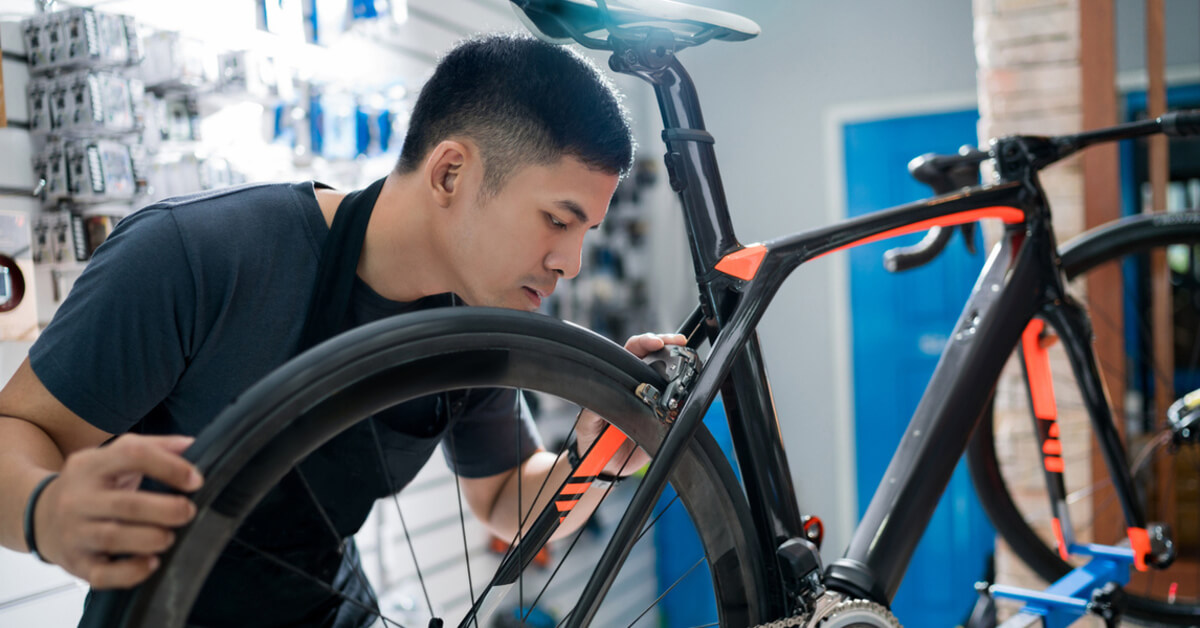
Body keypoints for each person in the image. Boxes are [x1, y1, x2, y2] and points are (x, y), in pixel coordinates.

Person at [0, 33, 682, 627]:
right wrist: (44, 512)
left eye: (587, 233)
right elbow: (18, 430)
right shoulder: (197, 256)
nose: (570, 261)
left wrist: (591, 458)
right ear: (450, 172)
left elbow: (505, 503)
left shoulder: (480, 324)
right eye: (558, 221)